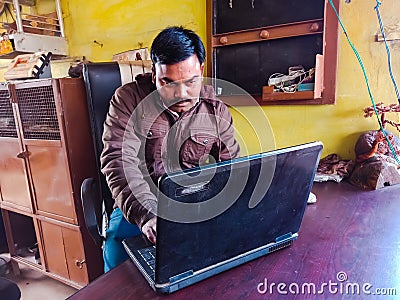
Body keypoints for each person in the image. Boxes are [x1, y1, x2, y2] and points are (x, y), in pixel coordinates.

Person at [100, 26, 240, 272]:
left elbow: (234, 165)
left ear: (202, 71)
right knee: (119, 263)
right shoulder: (128, 100)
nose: (181, 94)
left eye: (191, 82)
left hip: (192, 202)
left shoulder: (215, 109)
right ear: (153, 73)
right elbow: (118, 160)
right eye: (168, 82)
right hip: (138, 205)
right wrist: (147, 213)